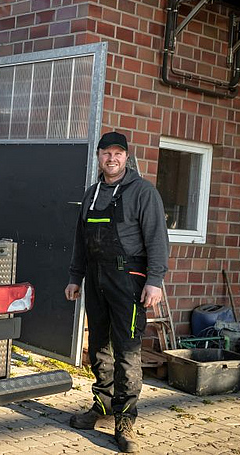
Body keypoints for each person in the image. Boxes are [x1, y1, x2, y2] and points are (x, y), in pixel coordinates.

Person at [65, 131, 168, 453]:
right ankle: (103, 405)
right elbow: (81, 241)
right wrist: (75, 277)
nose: (112, 158)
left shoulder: (143, 192)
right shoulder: (92, 193)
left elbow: (157, 240)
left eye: (117, 153)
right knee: (99, 347)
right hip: (96, 277)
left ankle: (126, 419)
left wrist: (155, 280)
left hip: (130, 278)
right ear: (99, 156)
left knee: (127, 350)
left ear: (126, 157)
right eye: (106, 153)